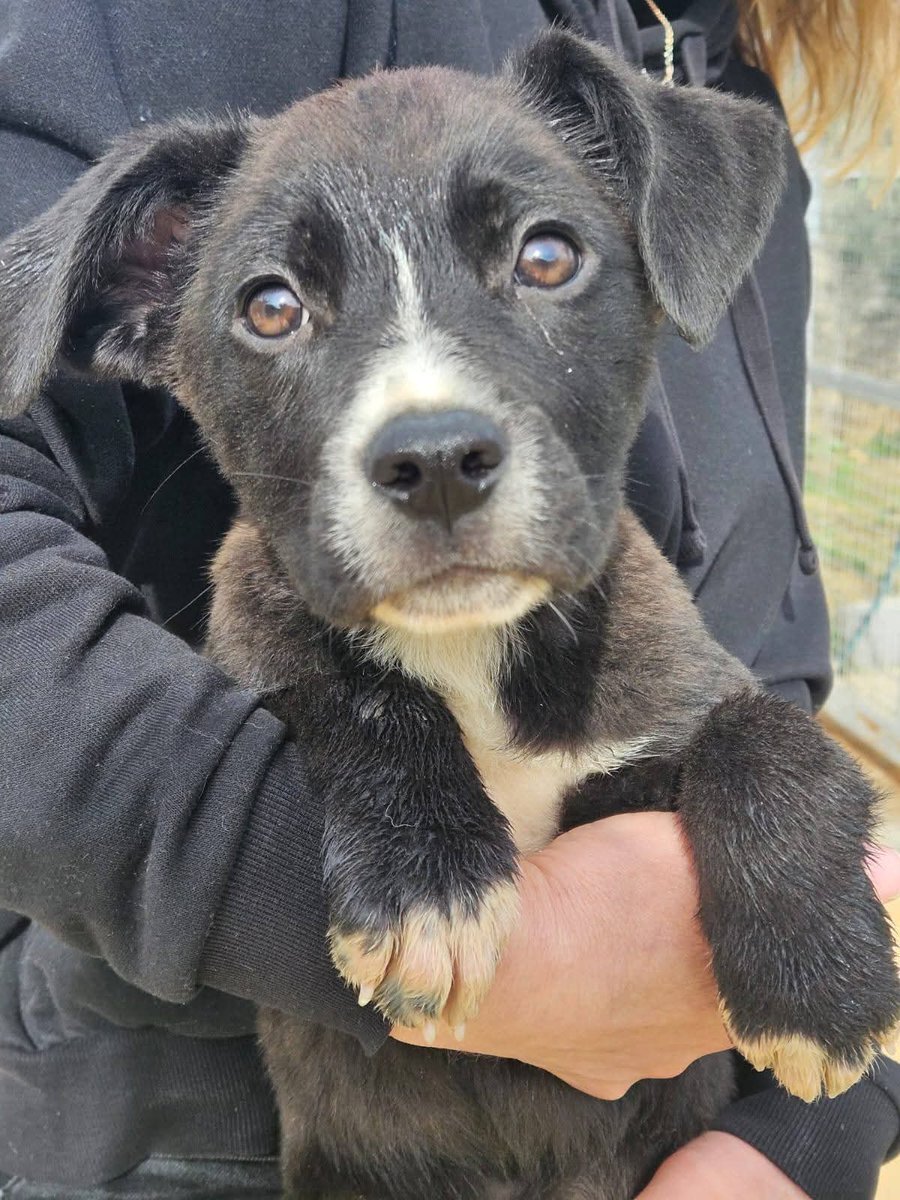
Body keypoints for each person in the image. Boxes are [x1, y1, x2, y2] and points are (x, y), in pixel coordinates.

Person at [0, 1, 896, 1197]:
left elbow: (770, 677)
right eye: (275, 307)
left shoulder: (727, 70)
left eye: (542, 258)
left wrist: (800, 1146)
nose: (429, 430)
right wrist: (326, 818)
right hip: (206, 1138)